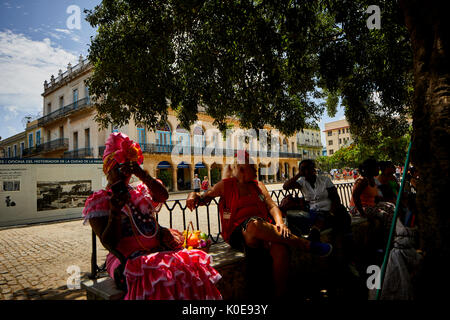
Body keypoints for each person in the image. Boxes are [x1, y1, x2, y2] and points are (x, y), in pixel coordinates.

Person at [83, 132, 222, 300]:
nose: (124, 174)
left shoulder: (139, 191)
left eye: (127, 168)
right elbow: (109, 242)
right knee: (161, 275)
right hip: (125, 259)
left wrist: (142, 174)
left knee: (190, 268)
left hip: (156, 252)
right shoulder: (100, 200)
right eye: (119, 169)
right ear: (108, 170)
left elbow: (163, 196)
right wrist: (114, 212)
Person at [186, 151, 332, 299]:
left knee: (280, 249)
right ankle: (305, 244)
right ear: (242, 169)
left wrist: (280, 223)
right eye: (253, 167)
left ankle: (281, 296)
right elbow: (204, 197)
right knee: (253, 225)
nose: (257, 170)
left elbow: (272, 206)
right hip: (239, 231)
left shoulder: (259, 185)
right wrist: (192, 195)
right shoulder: (225, 185)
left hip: (265, 229)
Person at [283, 159, 351, 242]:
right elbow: (285, 186)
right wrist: (298, 175)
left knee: (338, 217)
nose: (307, 171)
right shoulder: (302, 182)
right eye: (303, 169)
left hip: (329, 209)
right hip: (314, 210)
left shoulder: (325, 180)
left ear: (313, 169)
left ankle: (316, 235)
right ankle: (315, 235)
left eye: (309, 168)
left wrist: (331, 212)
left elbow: (335, 198)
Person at [349, 159, 396, 250]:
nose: (378, 169)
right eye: (376, 167)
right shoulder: (362, 181)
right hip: (358, 208)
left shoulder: (373, 180)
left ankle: (391, 236)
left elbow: (375, 196)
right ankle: (387, 241)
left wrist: (384, 202)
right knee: (384, 215)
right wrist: (362, 213)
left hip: (370, 205)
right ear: (370, 169)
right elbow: (355, 196)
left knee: (392, 207)